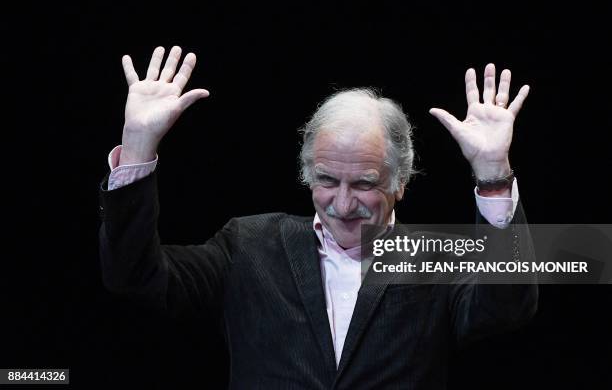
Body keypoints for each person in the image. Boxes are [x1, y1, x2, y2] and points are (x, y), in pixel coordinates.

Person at [99, 45, 537, 389]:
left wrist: (493, 176)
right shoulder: (247, 244)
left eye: (364, 184)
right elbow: (134, 276)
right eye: (327, 180)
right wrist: (137, 147)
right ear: (307, 174)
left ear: (400, 182)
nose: (343, 205)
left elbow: (508, 306)